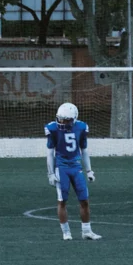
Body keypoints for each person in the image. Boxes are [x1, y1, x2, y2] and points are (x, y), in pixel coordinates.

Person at [45, 102, 101, 241]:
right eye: (61, 118)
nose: (62, 122)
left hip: (76, 167)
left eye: (66, 119)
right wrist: (51, 173)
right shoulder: (52, 128)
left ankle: (86, 231)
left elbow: (84, 150)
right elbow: (50, 153)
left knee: (84, 200)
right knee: (62, 200)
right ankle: (66, 232)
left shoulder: (81, 127)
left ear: (74, 118)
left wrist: (89, 170)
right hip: (61, 167)